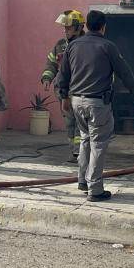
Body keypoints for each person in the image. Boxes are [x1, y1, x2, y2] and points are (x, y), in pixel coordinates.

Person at [57, 10, 134, 202]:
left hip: (76, 101)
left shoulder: (72, 46)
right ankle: (95, 189)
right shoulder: (108, 46)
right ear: (104, 27)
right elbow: (124, 71)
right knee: (98, 144)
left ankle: (83, 181)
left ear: (86, 25)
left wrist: (63, 97)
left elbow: (63, 74)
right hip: (97, 103)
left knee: (85, 139)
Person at [40, 10, 86, 162]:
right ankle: (74, 152)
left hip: (80, 91)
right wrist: (47, 77)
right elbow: (51, 63)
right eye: (64, 27)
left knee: (81, 123)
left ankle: (80, 153)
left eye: (68, 27)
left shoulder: (87, 44)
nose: (64, 30)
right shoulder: (60, 46)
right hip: (63, 92)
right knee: (70, 123)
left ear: (78, 28)